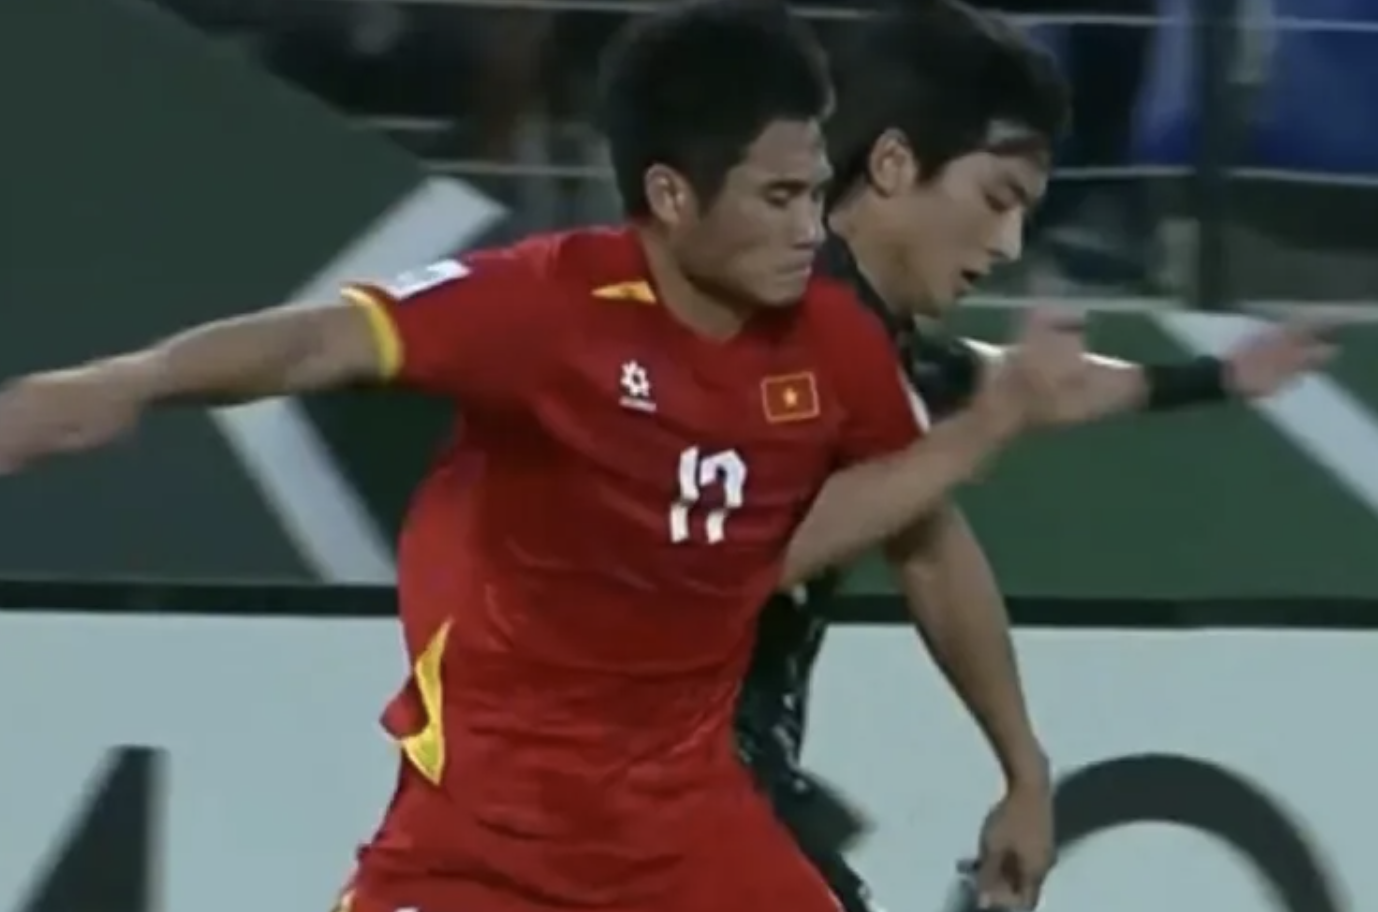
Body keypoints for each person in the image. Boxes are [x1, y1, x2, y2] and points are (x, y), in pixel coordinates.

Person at [0, 4, 1092, 912]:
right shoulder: (543, 308)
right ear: (673, 195)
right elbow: (320, 341)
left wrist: (1024, 770)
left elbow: (923, 533)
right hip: (485, 844)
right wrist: (127, 381)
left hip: (688, 832)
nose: (812, 229)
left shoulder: (834, 342)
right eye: (778, 198)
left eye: (813, 193)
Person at [736, 3, 1333, 912]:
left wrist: (1212, 378)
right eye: (996, 199)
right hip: (662, 791)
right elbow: (762, 551)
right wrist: (989, 426)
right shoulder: (785, 329)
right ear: (893, 165)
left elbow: (1008, 396)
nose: (1009, 244)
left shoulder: (869, 340)